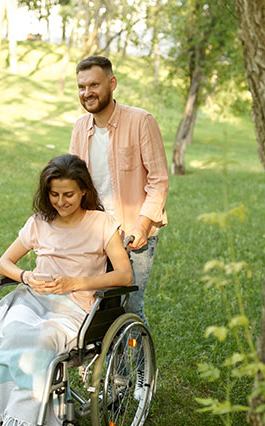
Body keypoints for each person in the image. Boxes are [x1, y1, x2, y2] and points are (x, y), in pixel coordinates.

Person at [0, 154, 132, 426]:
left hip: (74, 306)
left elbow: (124, 275)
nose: (61, 201)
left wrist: (76, 282)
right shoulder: (39, 222)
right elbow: (3, 263)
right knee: (7, 333)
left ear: (83, 192)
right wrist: (27, 276)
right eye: (54, 194)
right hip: (31, 299)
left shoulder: (101, 223)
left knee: (39, 341)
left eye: (68, 194)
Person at [69, 55, 169, 328]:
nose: (87, 92)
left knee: (129, 309)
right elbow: (73, 183)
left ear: (112, 83)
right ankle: (103, 367)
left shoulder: (141, 121)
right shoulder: (80, 128)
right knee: (94, 305)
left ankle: (137, 369)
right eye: (81, 87)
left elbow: (159, 180)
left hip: (134, 234)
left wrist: (143, 226)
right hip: (95, 234)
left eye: (94, 85)